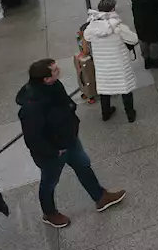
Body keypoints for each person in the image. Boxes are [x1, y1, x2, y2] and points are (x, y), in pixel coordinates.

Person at [17, 59, 126, 228]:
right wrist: (54, 152)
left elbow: (67, 103)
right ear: (45, 79)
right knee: (50, 181)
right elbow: (33, 139)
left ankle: (100, 197)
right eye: (54, 70)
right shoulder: (32, 107)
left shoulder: (55, 85)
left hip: (69, 139)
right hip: (52, 152)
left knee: (83, 165)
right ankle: (50, 212)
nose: (58, 70)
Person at [83, 0, 140, 122]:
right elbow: (134, 39)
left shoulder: (91, 27)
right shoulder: (118, 27)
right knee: (125, 89)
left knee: (105, 89)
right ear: (113, 9)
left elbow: (86, 37)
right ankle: (130, 114)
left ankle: (106, 113)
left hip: (102, 65)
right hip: (119, 64)